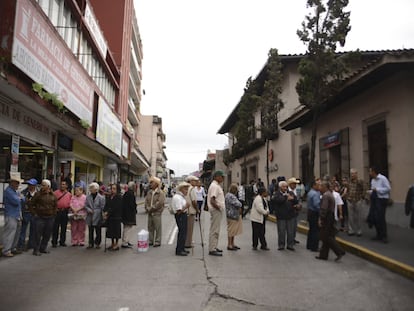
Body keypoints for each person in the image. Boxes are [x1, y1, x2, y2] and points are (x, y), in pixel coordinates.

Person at [316, 180, 346, 261]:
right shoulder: (330, 194)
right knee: (327, 236)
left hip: (327, 217)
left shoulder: (326, 195)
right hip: (330, 216)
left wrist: (321, 219)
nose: (320, 188)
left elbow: (324, 209)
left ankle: (339, 251)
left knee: (326, 236)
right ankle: (323, 255)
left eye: (321, 186)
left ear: (325, 187)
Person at [30, 179, 58, 256]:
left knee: (47, 234)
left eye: (44, 185)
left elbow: (56, 205)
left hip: (50, 217)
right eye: (41, 185)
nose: (42, 186)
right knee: (38, 234)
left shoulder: (53, 195)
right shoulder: (38, 194)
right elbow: (31, 204)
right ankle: (36, 249)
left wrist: (54, 213)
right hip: (40, 217)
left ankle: (43, 248)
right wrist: (34, 213)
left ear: (48, 186)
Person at [2, 173, 24, 257]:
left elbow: (23, 199)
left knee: (16, 233)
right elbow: (17, 201)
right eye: (16, 183)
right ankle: (6, 250)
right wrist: (19, 197)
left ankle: (13, 248)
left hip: (17, 214)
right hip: (11, 214)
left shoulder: (15, 191)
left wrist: (19, 197)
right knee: (10, 233)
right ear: (12, 183)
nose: (18, 185)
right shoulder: (8, 191)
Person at [272, 180, 298, 251]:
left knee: (290, 231)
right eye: (283, 186)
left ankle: (290, 245)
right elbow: (278, 200)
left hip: (290, 215)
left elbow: (295, 200)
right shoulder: (277, 194)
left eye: (286, 186)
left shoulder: (290, 193)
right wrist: (286, 197)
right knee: (281, 231)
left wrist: (292, 198)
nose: (285, 188)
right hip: (281, 216)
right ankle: (281, 245)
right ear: (280, 187)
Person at [367, 166, 391, 243]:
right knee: (374, 217)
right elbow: (373, 191)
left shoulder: (382, 178)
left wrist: (377, 189)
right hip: (375, 199)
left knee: (380, 217)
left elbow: (388, 189)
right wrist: (370, 192)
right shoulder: (373, 180)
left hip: (382, 199)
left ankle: (384, 236)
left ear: (374, 172)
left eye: (370, 171)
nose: (369, 173)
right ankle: (378, 234)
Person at [207, 170, 226, 256]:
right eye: (222, 176)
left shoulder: (216, 185)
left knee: (216, 229)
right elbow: (212, 200)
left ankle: (214, 246)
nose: (223, 178)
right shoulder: (215, 186)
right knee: (215, 230)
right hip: (216, 210)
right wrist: (218, 207)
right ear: (216, 177)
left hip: (216, 210)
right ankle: (212, 248)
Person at [144, 177, 166, 247]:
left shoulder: (160, 193)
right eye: (150, 182)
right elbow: (146, 201)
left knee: (157, 228)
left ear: (156, 184)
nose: (150, 184)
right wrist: (147, 208)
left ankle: (157, 241)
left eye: (152, 182)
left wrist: (151, 208)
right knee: (150, 227)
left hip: (157, 213)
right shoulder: (149, 192)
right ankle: (150, 240)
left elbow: (159, 203)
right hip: (150, 213)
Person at [171, 182, 191, 256]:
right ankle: (179, 250)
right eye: (186, 189)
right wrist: (186, 206)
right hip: (180, 216)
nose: (187, 191)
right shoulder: (177, 197)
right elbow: (178, 211)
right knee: (182, 233)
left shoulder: (181, 197)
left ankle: (182, 248)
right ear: (181, 189)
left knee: (184, 232)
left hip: (183, 215)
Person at [18, 178, 37, 251]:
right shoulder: (24, 192)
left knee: (33, 229)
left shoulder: (37, 193)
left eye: (31, 185)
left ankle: (31, 244)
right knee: (23, 230)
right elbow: (21, 202)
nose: (30, 186)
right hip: (26, 212)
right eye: (29, 184)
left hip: (34, 213)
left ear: (34, 185)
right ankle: (21, 245)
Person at [85, 182, 105, 249]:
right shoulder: (88, 197)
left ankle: (97, 243)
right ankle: (90, 243)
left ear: (96, 189)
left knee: (98, 230)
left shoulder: (101, 197)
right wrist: (88, 210)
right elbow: (86, 205)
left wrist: (103, 215)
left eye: (92, 188)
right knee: (90, 230)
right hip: (90, 215)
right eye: (90, 188)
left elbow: (102, 207)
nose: (90, 189)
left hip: (98, 215)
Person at [52, 180, 72, 247]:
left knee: (64, 227)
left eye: (64, 184)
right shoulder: (55, 193)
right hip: (57, 211)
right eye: (61, 184)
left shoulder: (69, 194)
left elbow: (70, 203)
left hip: (65, 212)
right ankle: (54, 242)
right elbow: (52, 202)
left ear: (66, 186)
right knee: (55, 227)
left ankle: (62, 241)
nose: (62, 186)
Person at [103, 184, 123, 251]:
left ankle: (116, 244)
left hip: (116, 216)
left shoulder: (119, 197)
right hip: (110, 217)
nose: (112, 190)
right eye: (112, 188)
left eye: (114, 189)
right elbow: (106, 205)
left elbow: (115, 207)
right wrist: (105, 211)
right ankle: (112, 243)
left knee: (116, 231)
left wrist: (108, 212)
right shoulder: (109, 196)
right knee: (110, 231)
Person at [347, 169, 365, 237]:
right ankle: (351, 230)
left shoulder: (360, 181)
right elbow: (348, 189)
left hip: (358, 200)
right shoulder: (349, 182)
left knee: (358, 216)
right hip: (350, 200)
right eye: (351, 174)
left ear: (356, 174)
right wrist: (347, 196)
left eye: (353, 174)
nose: (352, 175)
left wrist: (362, 197)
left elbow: (364, 188)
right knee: (350, 216)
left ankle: (359, 230)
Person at [225, 183, 243, 251]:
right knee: (231, 230)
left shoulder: (228, 195)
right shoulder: (231, 196)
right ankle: (230, 244)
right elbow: (238, 204)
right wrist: (240, 205)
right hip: (232, 215)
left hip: (231, 214)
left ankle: (232, 243)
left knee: (233, 230)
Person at [185, 175, 200, 249]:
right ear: (190, 181)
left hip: (186, 210)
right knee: (190, 228)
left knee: (186, 228)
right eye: (195, 181)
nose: (196, 182)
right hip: (190, 211)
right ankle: (188, 243)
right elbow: (194, 201)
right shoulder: (192, 189)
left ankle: (186, 242)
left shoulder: (186, 188)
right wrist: (197, 209)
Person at [306, 179, 321, 252]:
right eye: (318, 185)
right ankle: (314, 247)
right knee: (315, 230)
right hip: (314, 213)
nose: (319, 186)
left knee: (311, 229)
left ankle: (309, 245)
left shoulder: (310, 192)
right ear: (314, 185)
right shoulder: (315, 194)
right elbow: (316, 205)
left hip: (310, 212)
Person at [121, 181, 137, 248]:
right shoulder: (130, 194)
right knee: (127, 228)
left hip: (126, 214)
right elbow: (132, 205)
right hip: (129, 214)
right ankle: (125, 242)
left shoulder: (127, 193)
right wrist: (135, 208)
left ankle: (126, 241)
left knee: (127, 228)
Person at [287, 177, 302, 244]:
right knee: (290, 227)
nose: (295, 185)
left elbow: (299, 199)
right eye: (294, 184)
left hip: (296, 211)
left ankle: (293, 238)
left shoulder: (296, 191)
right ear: (290, 184)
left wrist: (299, 205)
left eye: (295, 184)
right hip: (290, 211)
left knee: (295, 226)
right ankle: (290, 239)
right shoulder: (288, 192)